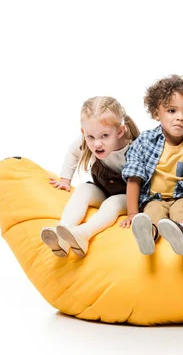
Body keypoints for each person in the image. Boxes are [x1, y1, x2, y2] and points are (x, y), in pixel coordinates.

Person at [120, 75, 183, 256]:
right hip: (154, 198)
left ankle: (182, 233)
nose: (180, 117)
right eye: (172, 111)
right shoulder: (146, 141)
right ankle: (149, 236)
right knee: (151, 213)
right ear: (157, 113)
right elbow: (134, 179)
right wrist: (132, 213)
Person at [40, 96, 140, 257]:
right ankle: (62, 232)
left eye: (105, 136)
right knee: (83, 189)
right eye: (90, 137)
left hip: (129, 196)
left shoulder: (135, 147)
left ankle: (84, 234)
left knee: (112, 203)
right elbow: (73, 153)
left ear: (120, 132)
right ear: (83, 132)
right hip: (103, 189)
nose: (96, 144)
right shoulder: (86, 141)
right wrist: (65, 180)